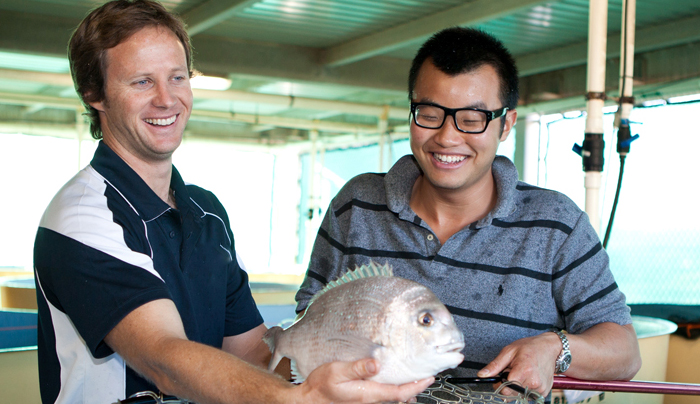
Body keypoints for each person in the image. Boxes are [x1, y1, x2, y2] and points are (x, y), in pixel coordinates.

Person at [32, 1, 433, 403]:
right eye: (141, 82)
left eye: (177, 77)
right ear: (94, 93)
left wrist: (369, 363)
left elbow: (254, 357)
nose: (166, 99)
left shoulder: (207, 214)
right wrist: (296, 400)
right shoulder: (83, 216)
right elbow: (164, 360)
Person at [296, 27, 642, 397]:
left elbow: (625, 351)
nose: (447, 137)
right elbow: (310, 318)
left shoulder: (556, 224)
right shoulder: (356, 205)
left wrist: (554, 347)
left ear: (506, 124)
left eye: (472, 119)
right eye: (429, 113)